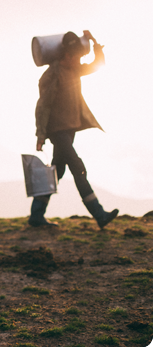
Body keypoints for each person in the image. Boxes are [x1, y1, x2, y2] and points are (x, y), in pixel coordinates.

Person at [30, 30, 118, 229]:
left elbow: (98, 65)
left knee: (57, 171)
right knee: (78, 167)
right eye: (76, 57)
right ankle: (99, 213)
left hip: (69, 129)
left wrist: (95, 43)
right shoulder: (52, 74)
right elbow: (42, 106)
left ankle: (36, 215)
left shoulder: (75, 69)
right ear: (66, 56)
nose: (79, 60)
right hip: (57, 131)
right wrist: (41, 134)